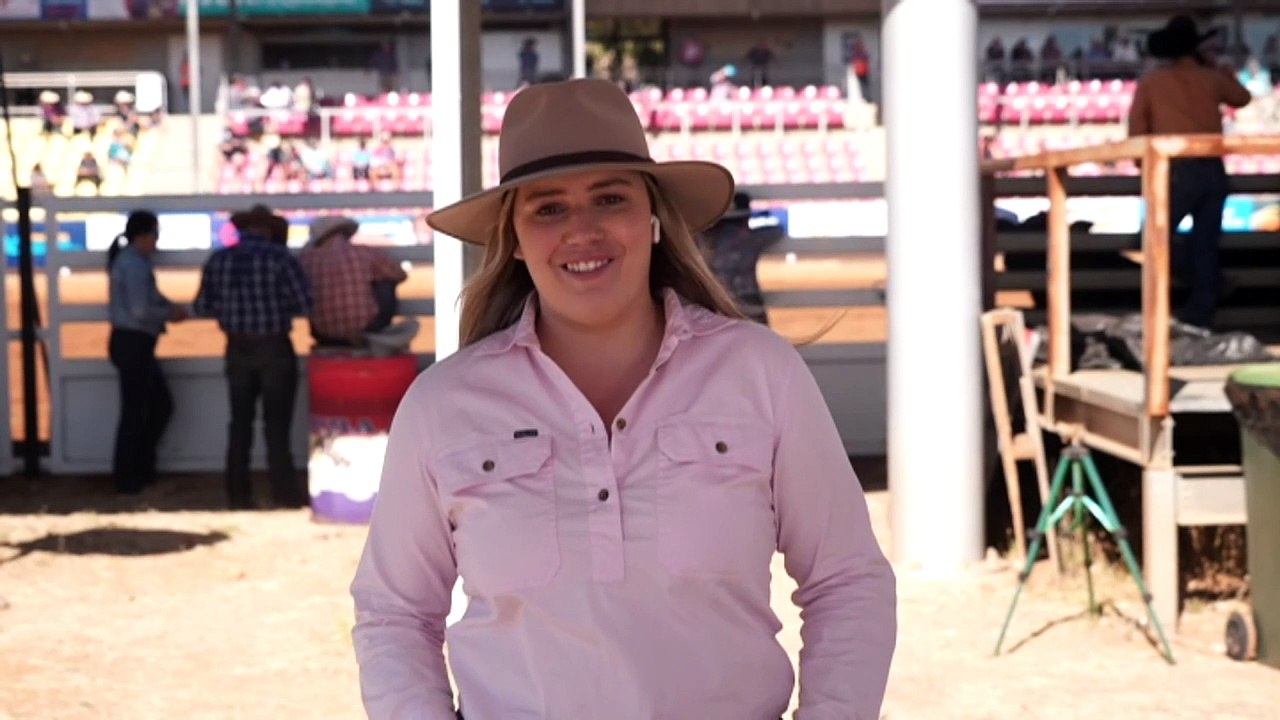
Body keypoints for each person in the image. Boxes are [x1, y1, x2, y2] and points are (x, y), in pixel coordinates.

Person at [350, 78, 896, 720]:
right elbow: (394, 615)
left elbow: (847, 581)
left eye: (610, 198)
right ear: (515, 239)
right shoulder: (442, 405)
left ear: (655, 218)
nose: (583, 229)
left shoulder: (760, 372)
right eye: (547, 208)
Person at [1129, 15, 1252, 329]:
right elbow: (1242, 97)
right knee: (1205, 241)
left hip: (1173, 168)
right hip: (1211, 167)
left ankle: (1195, 293)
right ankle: (1204, 304)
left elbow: (1137, 129)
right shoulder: (1209, 78)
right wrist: (1218, 68)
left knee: (1153, 236)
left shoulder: (1152, 82)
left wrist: (1145, 167)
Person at [193, 204, 313, 509]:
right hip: (274, 346)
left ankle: (238, 495)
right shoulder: (281, 258)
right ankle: (283, 495)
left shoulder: (220, 259)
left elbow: (202, 306)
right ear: (270, 230)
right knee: (277, 425)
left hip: (238, 348)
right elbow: (303, 302)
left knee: (240, 423)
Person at [107, 210, 188, 494]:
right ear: (143, 235)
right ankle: (132, 474)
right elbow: (142, 309)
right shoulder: (135, 264)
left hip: (130, 342)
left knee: (143, 408)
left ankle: (135, 471)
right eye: (155, 234)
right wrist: (169, 313)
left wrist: (167, 308)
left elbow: (145, 303)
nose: (157, 240)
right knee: (145, 408)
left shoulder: (130, 261)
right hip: (135, 342)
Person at [297, 215, 410, 347]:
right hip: (369, 327)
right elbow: (399, 274)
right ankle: (374, 330)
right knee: (386, 281)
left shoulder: (305, 259)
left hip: (324, 333)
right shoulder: (364, 252)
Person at [699, 191, 782, 325]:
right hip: (746, 306)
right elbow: (777, 229)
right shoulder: (752, 239)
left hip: (718, 306)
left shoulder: (708, 240)